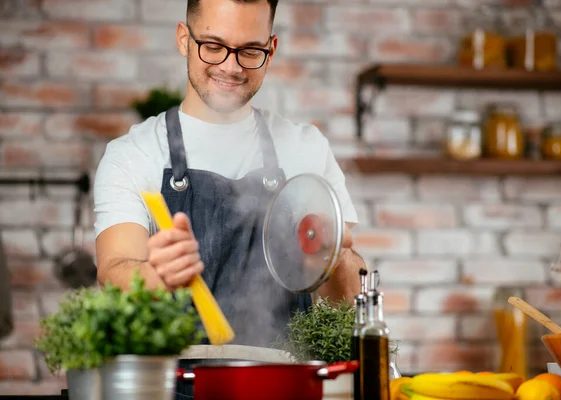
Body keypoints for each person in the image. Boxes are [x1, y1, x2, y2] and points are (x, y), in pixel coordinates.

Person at [93, 0, 365, 348]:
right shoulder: (134, 154)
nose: (231, 66)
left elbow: (345, 306)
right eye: (214, 46)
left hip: (285, 383)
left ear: (271, 49)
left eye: (250, 50)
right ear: (183, 39)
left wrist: (336, 258)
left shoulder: (306, 149)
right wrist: (152, 276)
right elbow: (113, 271)